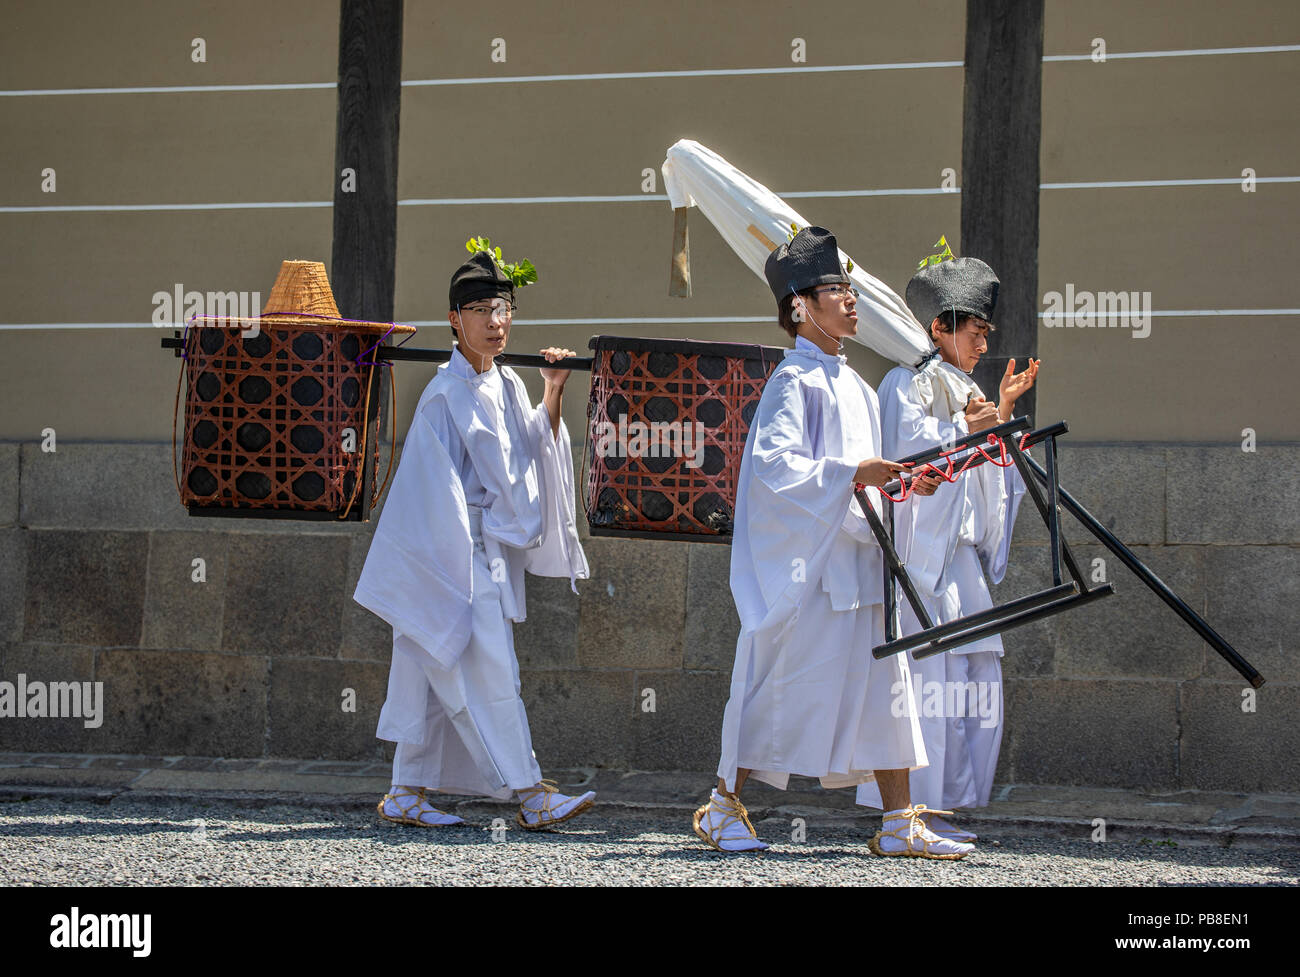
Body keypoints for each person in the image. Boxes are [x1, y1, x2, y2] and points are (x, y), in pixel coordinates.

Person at [691, 226, 974, 859]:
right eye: (836, 290)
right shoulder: (794, 381)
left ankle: (900, 820)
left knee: (885, 693)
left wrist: (903, 484)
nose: (851, 301)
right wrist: (853, 475)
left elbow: (867, 477)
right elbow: (773, 468)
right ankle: (722, 804)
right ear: (799, 307)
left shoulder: (854, 383)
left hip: (856, 558)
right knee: (776, 687)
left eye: (851, 289)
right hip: (809, 567)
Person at [354, 244, 594, 831]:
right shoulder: (442, 396)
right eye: (482, 310)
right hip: (452, 552)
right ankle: (531, 794)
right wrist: (453, 573)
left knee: (429, 671)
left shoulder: (509, 382)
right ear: (454, 321)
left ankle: (405, 792)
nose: (495, 322)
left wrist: (554, 388)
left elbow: (534, 443)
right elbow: (429, 498)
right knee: (491, 670)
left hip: (483, 545)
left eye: (503, 310)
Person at [855, 254, 1040, 845]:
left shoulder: (967, 390)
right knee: (926, 679)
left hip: (958, 559)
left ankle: (945, 805)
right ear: (939, 326)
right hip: (919, 558)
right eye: (974, 331)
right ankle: (909, 811)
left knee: (971, 676)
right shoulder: (903, 383)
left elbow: (984, 479)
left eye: (986, 333)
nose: (983, 344)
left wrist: (998, 421)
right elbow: (908, 465)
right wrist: (971, 428)